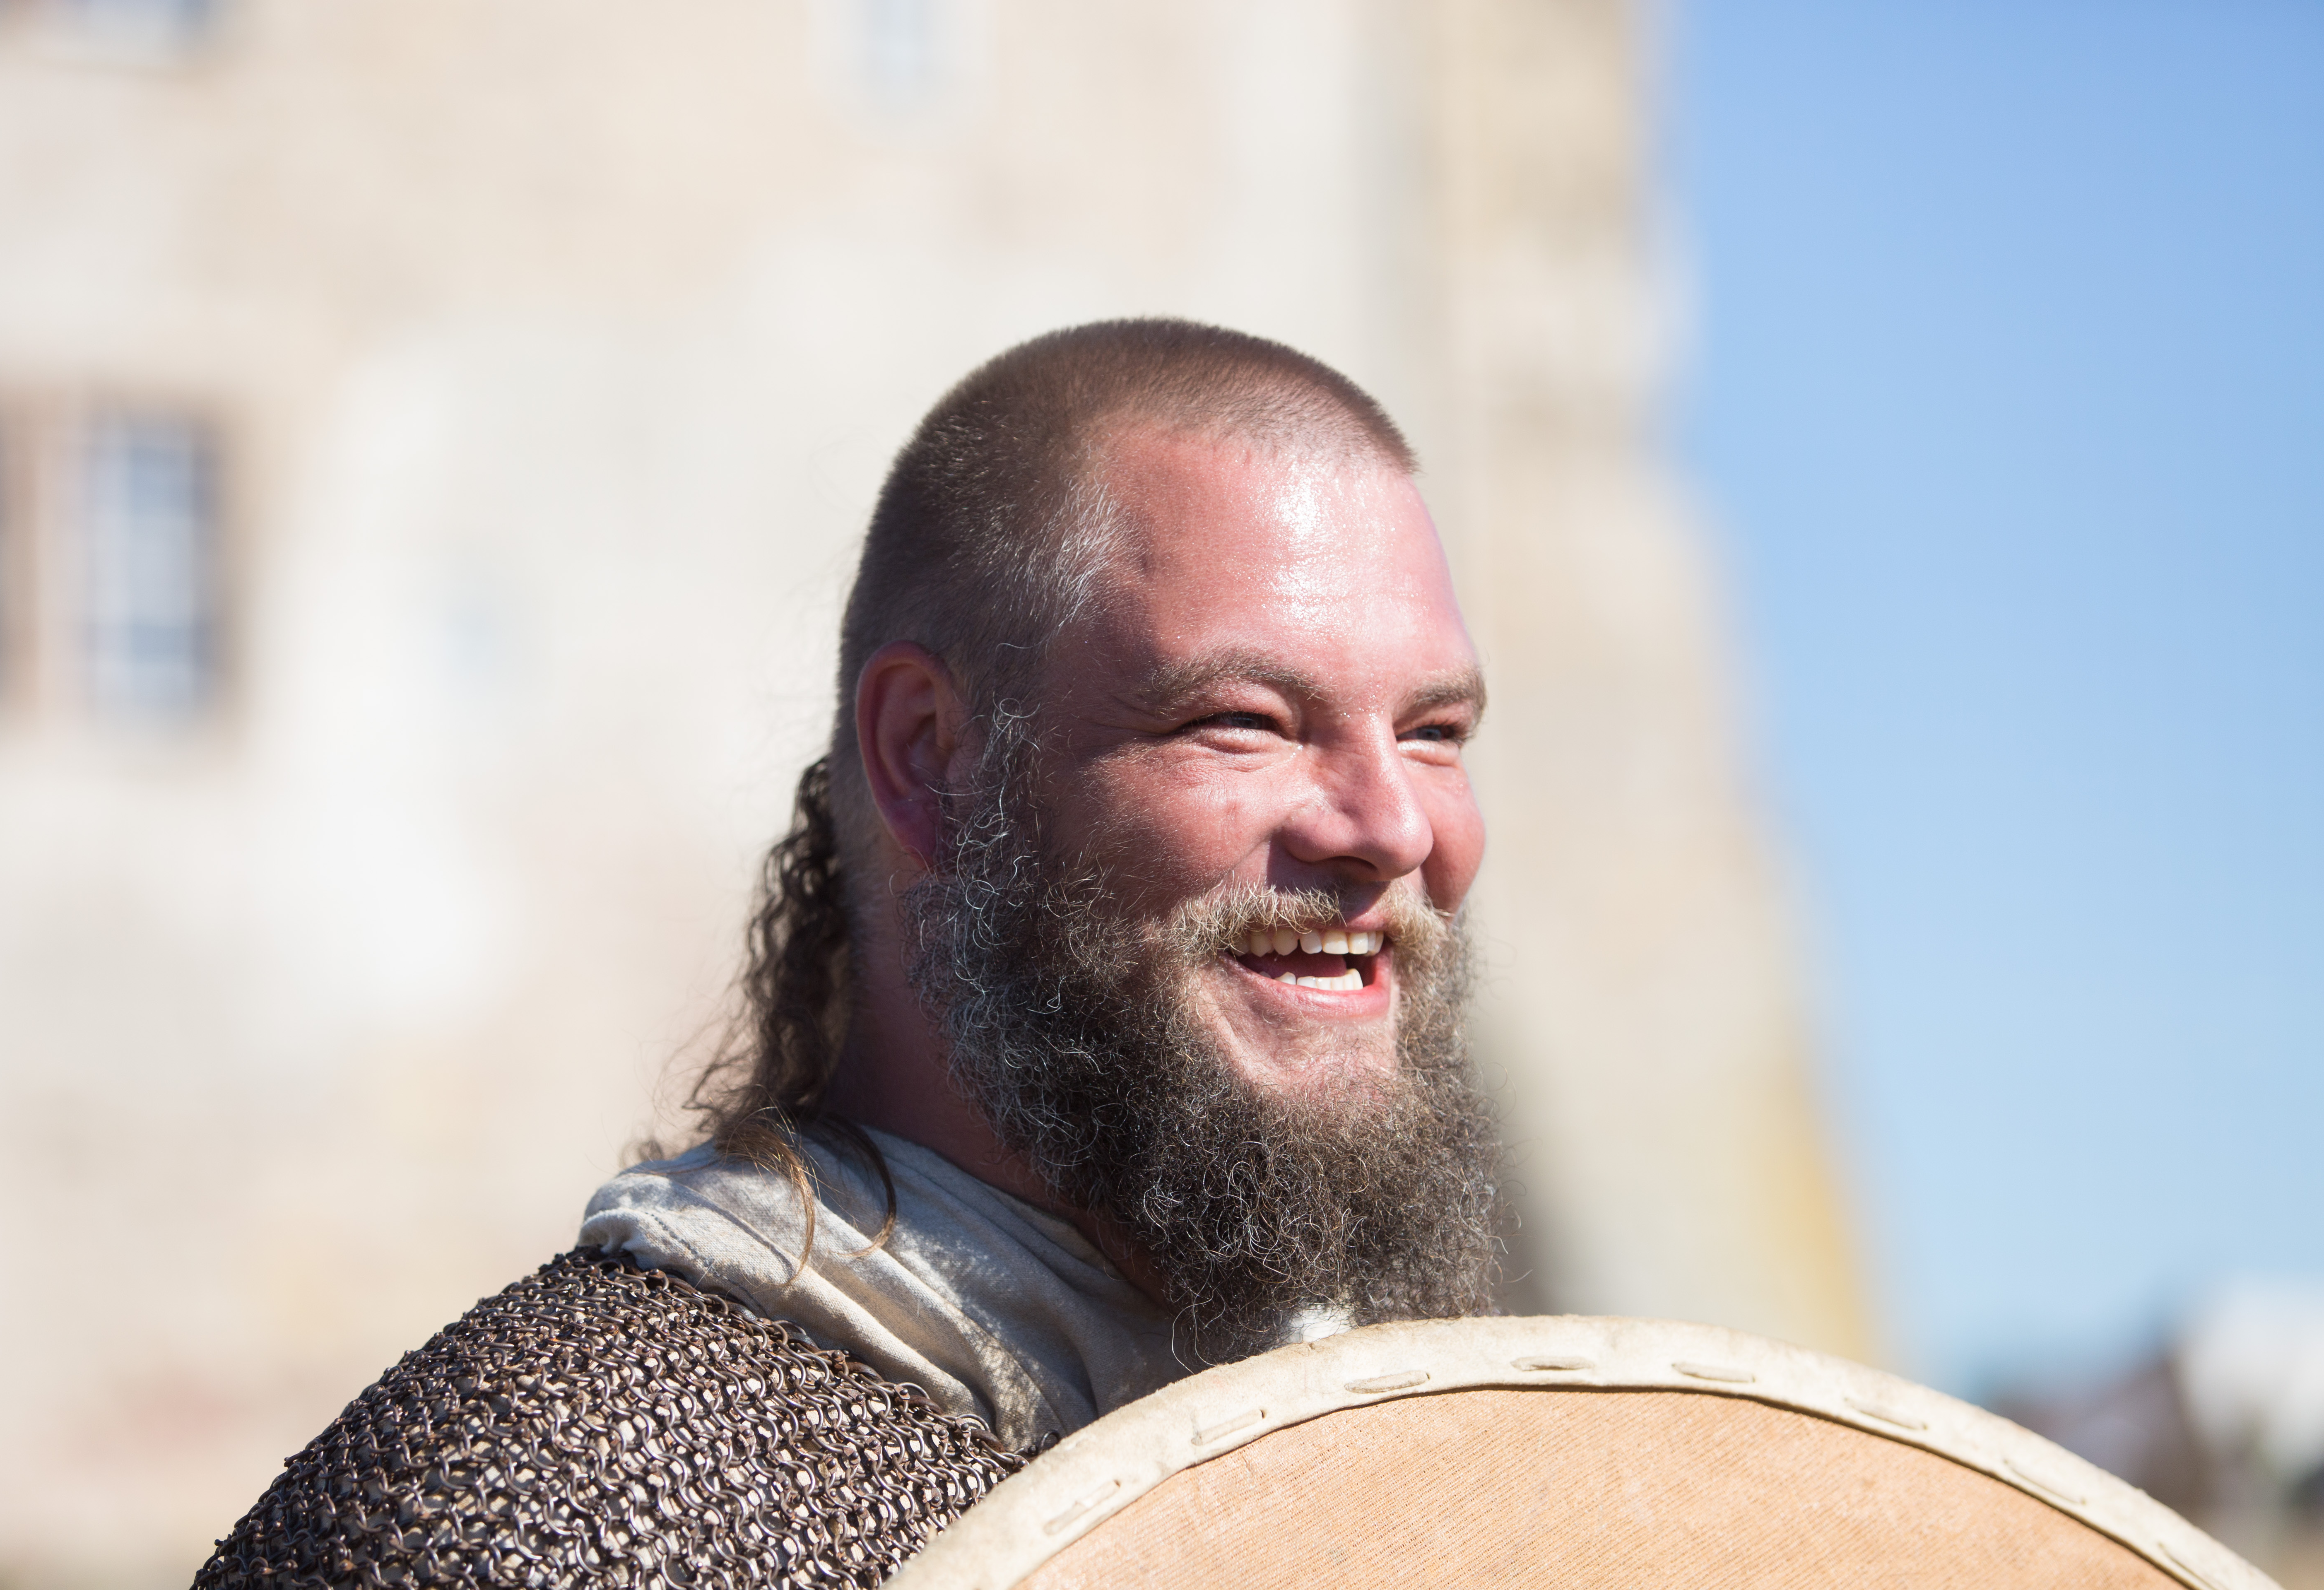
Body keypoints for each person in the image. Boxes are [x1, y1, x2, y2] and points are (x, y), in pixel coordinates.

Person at [195, 318, 1506, 1589]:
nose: (1395, 829)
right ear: (930, 757)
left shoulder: (1452, 1491)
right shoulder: (536, 1525)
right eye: (1247, 720)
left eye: (1435, 733)